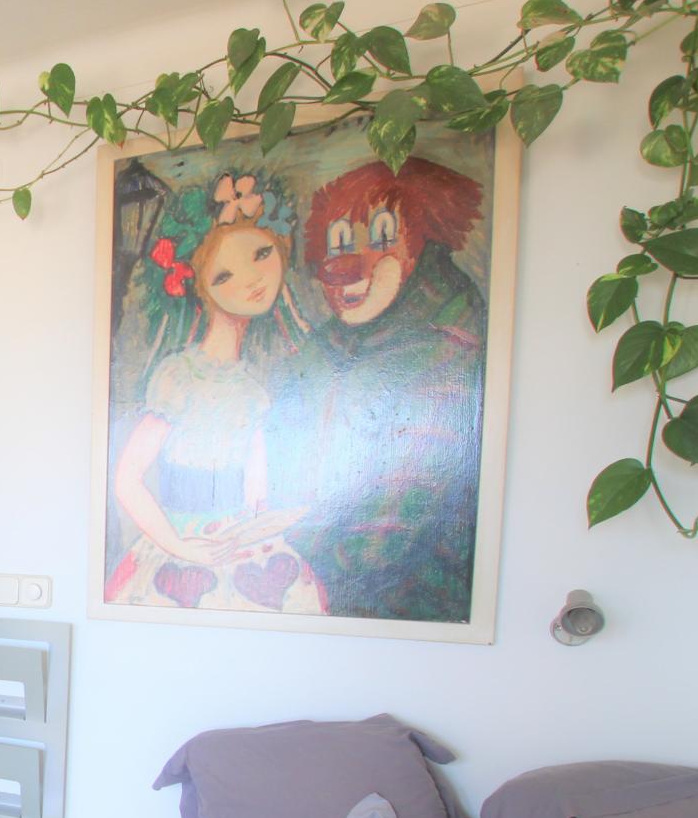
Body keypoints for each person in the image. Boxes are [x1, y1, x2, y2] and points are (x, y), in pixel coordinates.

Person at [277, 155, 488, 623]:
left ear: (422, 242)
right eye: (338, 243)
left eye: (383, 237)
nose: (348, 265)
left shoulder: (447, 344)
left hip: (404, 605)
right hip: (307, 589)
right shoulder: (320, 350)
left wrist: (293, 552)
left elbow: (387, 533)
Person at [105, 173, 323, 615]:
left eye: (262, 254)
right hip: (183, 550)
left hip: (242, 548)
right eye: (225, 275)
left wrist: (275, 519)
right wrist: (182, 548)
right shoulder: (178, 377)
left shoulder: (254, 391)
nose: (253, 279)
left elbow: (256, 497)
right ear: (199, 286)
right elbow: (127, 479)